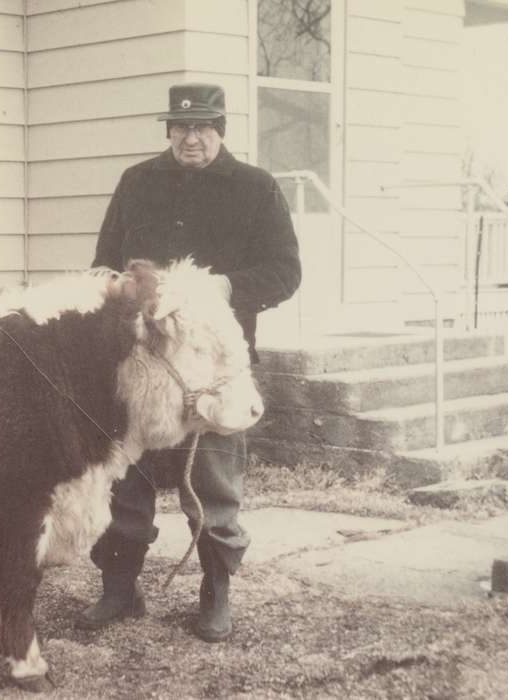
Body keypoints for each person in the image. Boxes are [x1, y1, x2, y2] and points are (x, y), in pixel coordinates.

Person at [80, 82, 301, 642]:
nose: (191, 138)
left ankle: (215, 594)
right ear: (169, 131)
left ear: (220, 129)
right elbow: (103, 263)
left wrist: (220, 287)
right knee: (125, 476)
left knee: (212, 480)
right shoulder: (137, 182)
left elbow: (284, 272)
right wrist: (126, 289)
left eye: (202, 127)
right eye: (180, 127)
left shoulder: (255, 187)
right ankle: (119, 588)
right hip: (141, 360)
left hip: (211, 366)